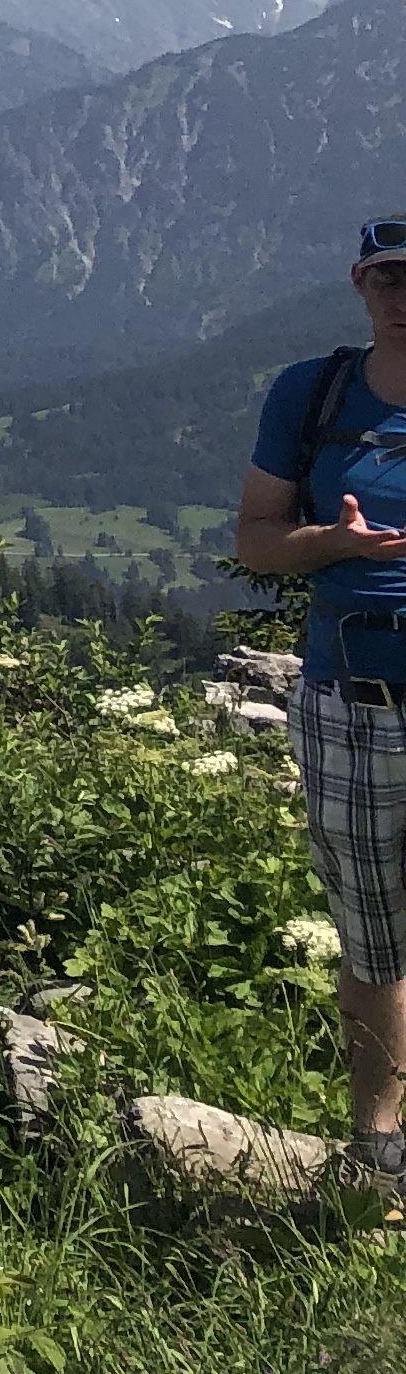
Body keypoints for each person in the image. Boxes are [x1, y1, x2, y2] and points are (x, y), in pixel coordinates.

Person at [236, 215, 406, 1203]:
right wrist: (333, 544)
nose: (405, 297)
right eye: (390, 278)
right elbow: (258, 540)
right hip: (349, 700)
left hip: (355, 699)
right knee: (374, 932)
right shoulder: (313, 394)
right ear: (359, 284)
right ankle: (378, 1145)